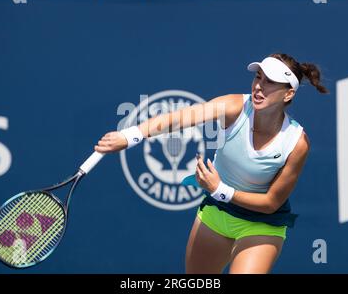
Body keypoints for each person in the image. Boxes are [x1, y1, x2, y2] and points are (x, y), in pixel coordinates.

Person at [95, 53, 328, 274]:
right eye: (258, 77)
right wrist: (130, 135)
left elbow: (270, 203)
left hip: (262, 224)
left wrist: (220, 189)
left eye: (270, 82)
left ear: (288, 94)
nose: (259, 86)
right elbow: (178, 118)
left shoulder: (297, 143)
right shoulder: (233, 106)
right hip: (216, 213)